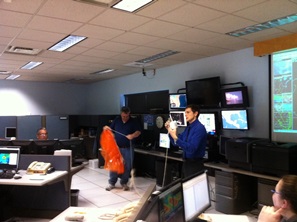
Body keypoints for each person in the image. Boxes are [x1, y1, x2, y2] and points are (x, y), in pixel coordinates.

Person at [104, 106, 141, 191]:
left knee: (127, 166)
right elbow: (110, 130)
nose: (125, 118)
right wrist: (107, 128)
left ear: (129, 114)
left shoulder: (133, 121)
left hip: (128, 148)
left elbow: (138, 132)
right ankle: (111, 183)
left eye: (126, 116)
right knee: (114, 165)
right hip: (116, 148)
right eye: (123, 116)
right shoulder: (117, 120)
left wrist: (132, 135)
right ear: (121, 114)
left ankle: (124, 182)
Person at [165, 104, 207, 178]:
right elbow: (176, 142)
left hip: (195, 165)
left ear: (195, 113)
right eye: (185, 113)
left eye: (188, 112)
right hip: (186, 163)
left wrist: (176, 138)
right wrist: (170, 131)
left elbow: (191, 149)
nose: (185, 115)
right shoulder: (188, 128)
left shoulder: (199, 128)